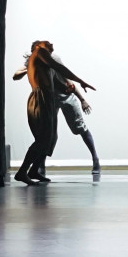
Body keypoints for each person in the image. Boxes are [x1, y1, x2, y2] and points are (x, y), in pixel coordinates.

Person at [14, 40, 96, 186]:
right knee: (43, 139)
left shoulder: (46, 64)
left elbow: (58, 82)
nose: (51, 44)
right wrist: (80, 80)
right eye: (48, 43)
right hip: (41, 99)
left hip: (48, 99)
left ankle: (33, 170)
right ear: (38, 46)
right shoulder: (39, 52)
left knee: (51, 138)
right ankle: (22, 172)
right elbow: (58, 67)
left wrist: (68, 89)